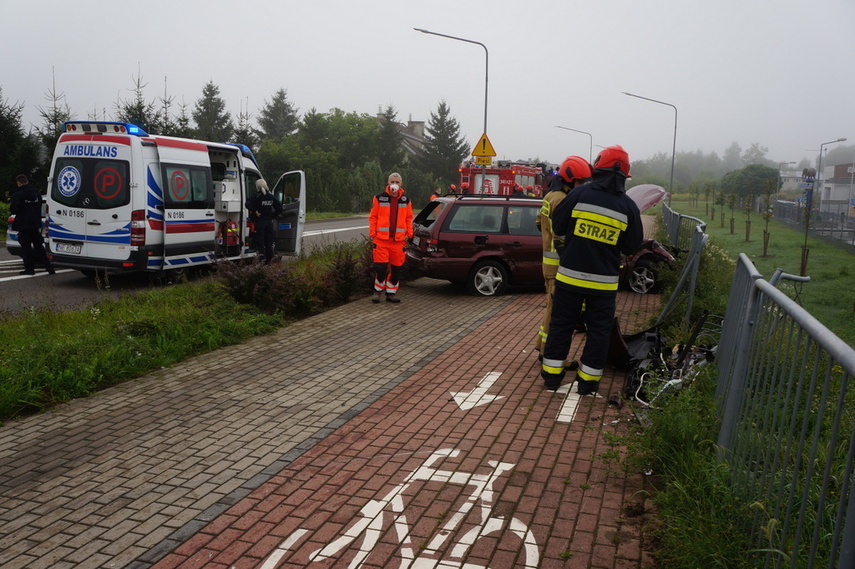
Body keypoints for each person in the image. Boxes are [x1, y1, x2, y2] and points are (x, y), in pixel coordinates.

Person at [540, 145, 643, 395]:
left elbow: (560, 226)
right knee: (598, 332)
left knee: (561, 326)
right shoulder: (629, 207)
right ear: (623, 176)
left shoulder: (579, 194)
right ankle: (587, 383)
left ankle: (552, 377)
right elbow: (632, 246)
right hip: (604, 285)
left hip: (569, 279)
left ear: (598, 169)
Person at [533, 156, 592, 356]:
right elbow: (563, 233)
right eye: (580, 181)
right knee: (555, 310)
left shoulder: (550, 196)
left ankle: (543, 347)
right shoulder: (561, 200)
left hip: (550, 265)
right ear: (569, 179)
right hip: (558, 265)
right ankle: (547, 352)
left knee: (552, 307)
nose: (582, 186)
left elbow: (539, 223)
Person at [368, 172, 413, 303]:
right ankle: (377, 292)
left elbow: (408, 218)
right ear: (388, 183)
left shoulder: (406, 200)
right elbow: (373, 217)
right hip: (381, 240)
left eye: (397, 182)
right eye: (392, 182)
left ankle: (391, 294)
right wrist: (373, 233)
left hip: (398, 241)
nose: (394, 184)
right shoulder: (379, 198)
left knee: (396, 269)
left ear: (401, 184)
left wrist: (409, 234)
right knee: (380, 268)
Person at [10, 174, 54, 276]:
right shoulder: (36, 194)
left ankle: (29, 269)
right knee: (39, 247)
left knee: (26, 249)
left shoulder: (18, 195)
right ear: (27, 181)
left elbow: (14, 210)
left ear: (18, 183)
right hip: (35, 224)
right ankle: (49, 267)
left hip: (23, 224)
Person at [245, 179, 283, 263]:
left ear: (257, 186)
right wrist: (273, 216)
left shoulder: (256, 196)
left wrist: (255, 210)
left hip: (260, 223)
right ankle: (270, 261)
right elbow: (280, 208)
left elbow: (247, 204)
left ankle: (262, 261)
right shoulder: (271, 196)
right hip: (269, 223)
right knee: (269, 243)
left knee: (260, 243)